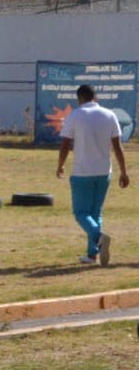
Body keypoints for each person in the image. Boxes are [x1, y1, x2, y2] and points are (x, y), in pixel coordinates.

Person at [56, 84, 130, 265]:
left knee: (80, 212)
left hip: (82, 171)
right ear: (95, 97)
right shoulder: (109, 115)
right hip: (104, 171)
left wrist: (60, 165)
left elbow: (65, 144)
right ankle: (92, 255)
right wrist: (124, 172)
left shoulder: (75, 115)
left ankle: (98, 239)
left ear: (79, 98)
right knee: (95, 213)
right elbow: (118, 147)